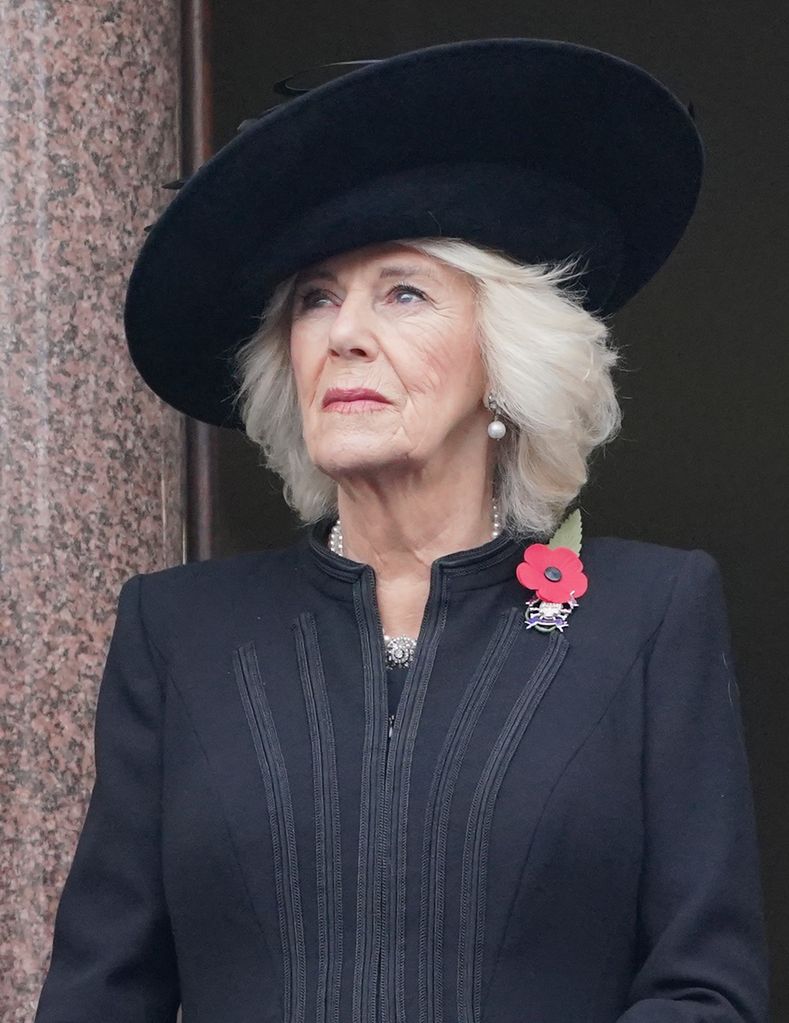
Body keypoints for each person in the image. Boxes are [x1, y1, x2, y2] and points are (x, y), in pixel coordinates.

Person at [35, 38, 769, 1023]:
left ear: (502, 357)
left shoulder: (649, 616)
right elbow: (99, 996)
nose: (344, 333)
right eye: (314, 300)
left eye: (403, 291)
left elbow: (705, 987)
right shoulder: (181, 633)